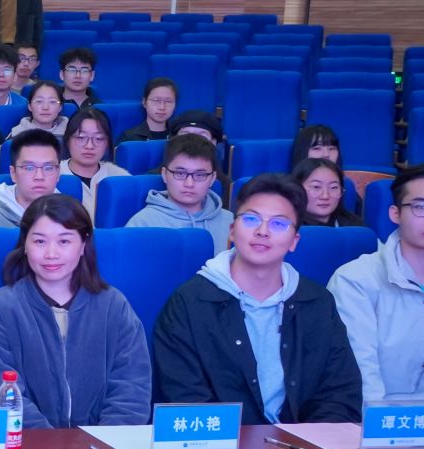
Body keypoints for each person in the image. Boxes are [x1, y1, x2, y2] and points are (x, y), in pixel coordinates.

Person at [154, 175, 363, 424]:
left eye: (279, 224)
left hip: (303, 444)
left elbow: (339, 392)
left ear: (294, 241)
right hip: (220, 443)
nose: (262, 232)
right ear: (232, 230)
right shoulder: (189, 303)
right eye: (251, 219)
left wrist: (308, 442)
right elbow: (185, 398)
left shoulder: (317, 303)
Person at [0, 193, 151, 427]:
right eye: (39, 242)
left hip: (104, 445)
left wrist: (103, 444)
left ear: (83, 245)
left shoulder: (114, 305)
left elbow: (131, 389)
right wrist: (51, 445)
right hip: (28, 443)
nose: (51, 254)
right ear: (25, 245)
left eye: (64, 241)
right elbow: (3, 393)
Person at [329, 163, 424, 406]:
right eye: (421, 207)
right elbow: (360, 379)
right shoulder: (356, 281)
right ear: (395, 213)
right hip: (375, 423)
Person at [124, 134, 231, 250]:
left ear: (213, 178)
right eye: (180, 173)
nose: (189, 184)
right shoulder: (142, 223)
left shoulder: (230, 221)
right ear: (164, 174)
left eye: (200, 175)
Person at [0, 128, 63, 228]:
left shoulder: (70, 216)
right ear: (13, 173)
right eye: (29, 168)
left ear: (58, 173)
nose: (39, 176)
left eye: (48, 168)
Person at [60, 108, 126, 218]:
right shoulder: (54, 175)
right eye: (81, 138)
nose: (89, 146)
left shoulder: (120, 177)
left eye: (99, 139)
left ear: (107, 143)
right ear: (68, 140)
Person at [290, 157, 360, 227]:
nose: (325, 196)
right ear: (297, 189)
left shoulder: (355, 226)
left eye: (333, 187)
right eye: (316, 187)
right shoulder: (289, 227)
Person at [118, 78, 180, 144]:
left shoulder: (179, 136)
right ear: (144, 102)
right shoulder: (128, 139)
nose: (162, 107)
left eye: (168, 101)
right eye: (156, 100)